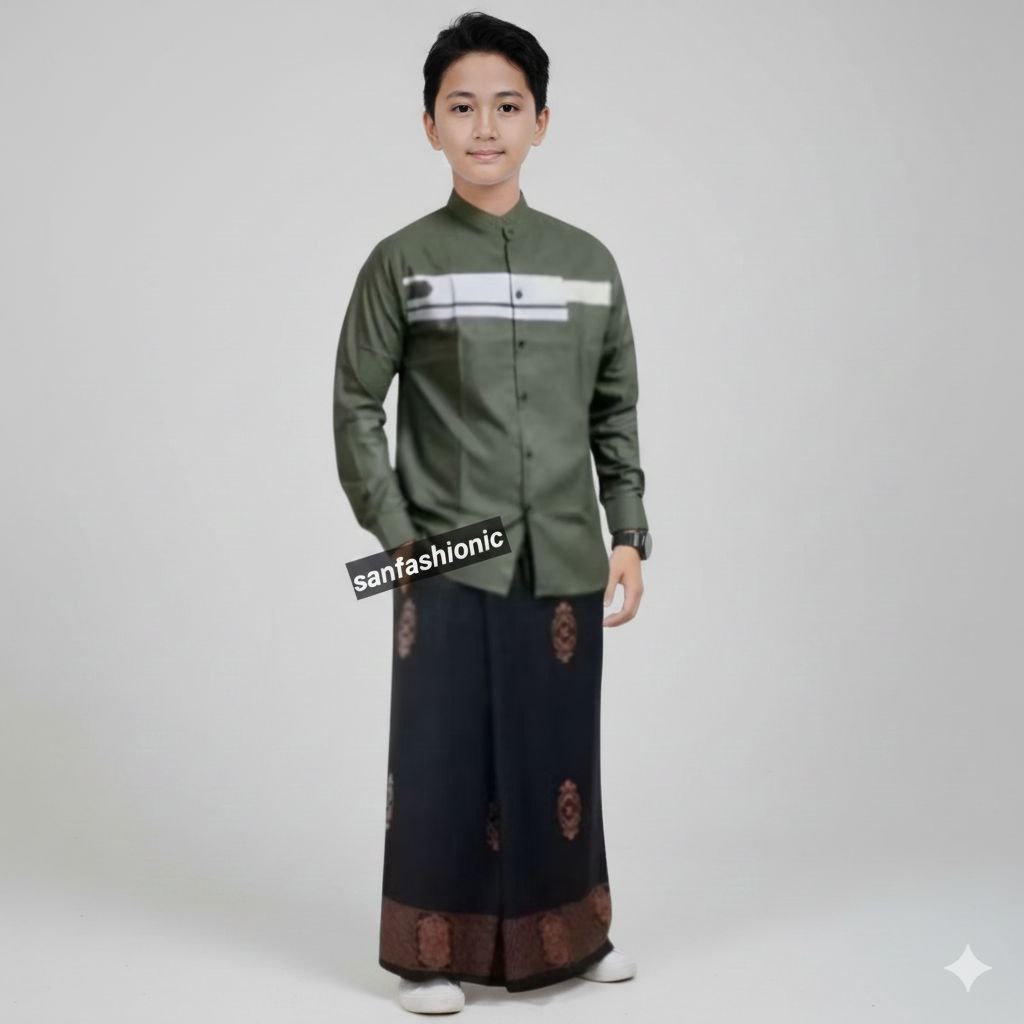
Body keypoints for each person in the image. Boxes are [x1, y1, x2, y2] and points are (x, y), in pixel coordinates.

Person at [332, 11, 652, 1014]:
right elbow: (355, 403)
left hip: (563, 550)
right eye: (461, 106)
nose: (484, 127)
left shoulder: (589, 264)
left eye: (506, 107)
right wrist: (398, 534)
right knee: (440, 754)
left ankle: (573, 935)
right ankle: (429, 953)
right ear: (429, 124)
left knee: (559, 753)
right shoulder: (401, 261)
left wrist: (627, 531)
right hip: (442, 554)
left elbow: (613, 409)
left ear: (541, 122)